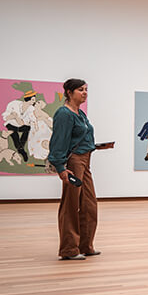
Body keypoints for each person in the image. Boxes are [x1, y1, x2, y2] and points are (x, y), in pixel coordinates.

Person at [48, 79, 104, 260]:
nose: (85, 93)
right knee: (70, 205)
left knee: (89, 205)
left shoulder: (80, 114)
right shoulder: (64, 114)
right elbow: (59, 141)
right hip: (73, 162)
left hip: (86, 160)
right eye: (81, 90)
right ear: (69, 92)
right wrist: (60, 168)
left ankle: (85, 245)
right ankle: (69, 249)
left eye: (86, 89)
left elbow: (80, 137)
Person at [3, 90, 37, 162]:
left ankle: (20, 148)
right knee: (15, 136)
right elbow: (5, 117)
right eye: (33, 100)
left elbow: (24, 122)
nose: (34, 102)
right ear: (28, 99)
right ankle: (22, 151)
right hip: (11, 125)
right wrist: (13, 116)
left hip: (21, 125)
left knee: (28, 129)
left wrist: (16, 117)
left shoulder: (31, 109)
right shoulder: (14, 104)